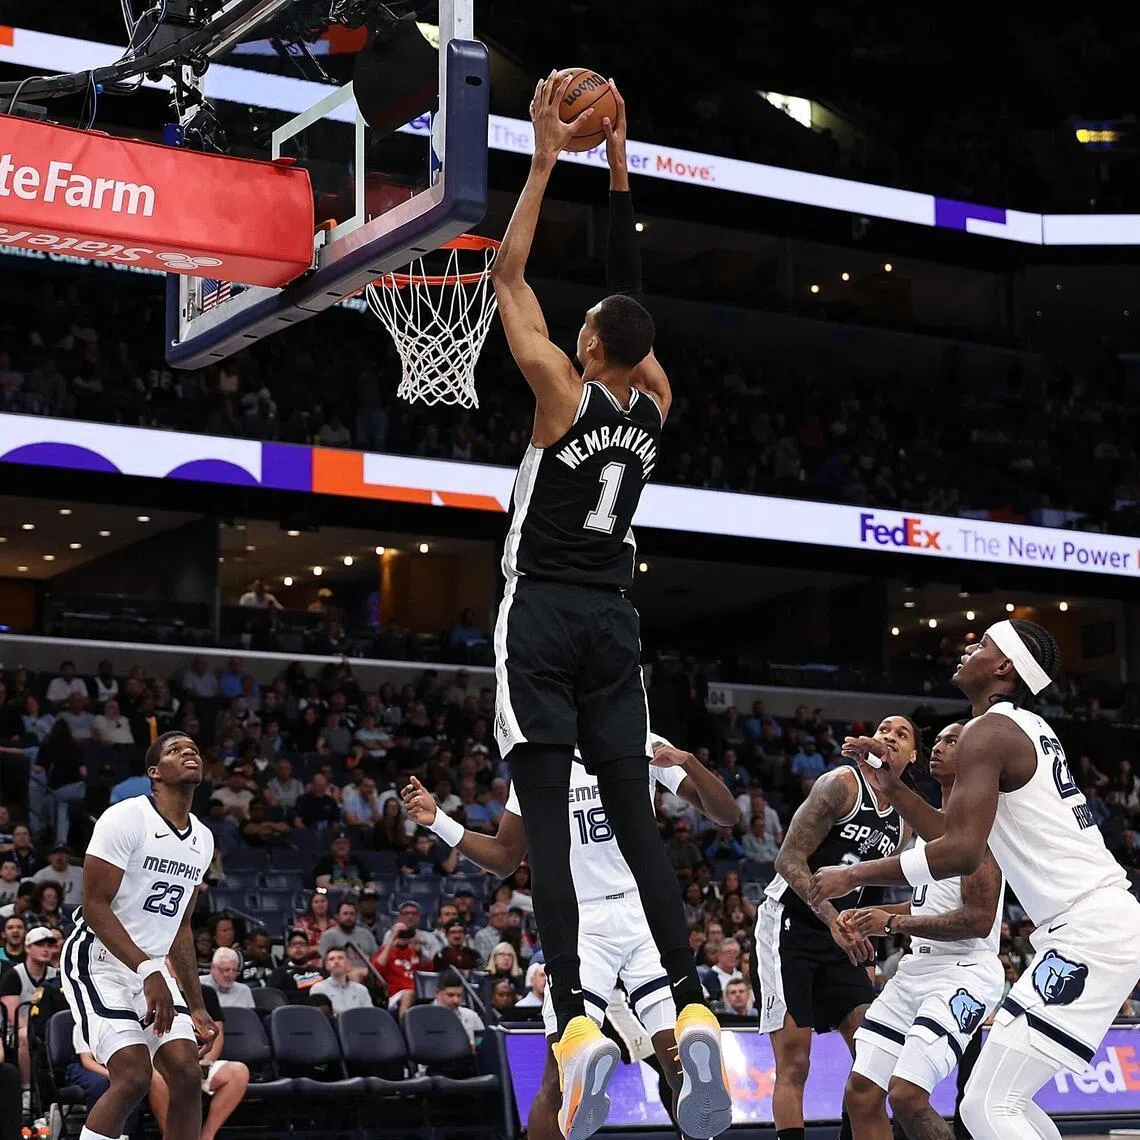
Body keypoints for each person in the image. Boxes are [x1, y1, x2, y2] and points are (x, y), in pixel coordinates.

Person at [488, 73, 726, 1140]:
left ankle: (579, 1023)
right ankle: (691, 1003)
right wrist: (621, 164)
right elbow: (631, 301)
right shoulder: (656, 403)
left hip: (542, 613)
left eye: (583, 322)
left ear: (587, 347)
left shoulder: (558, 392)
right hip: (614, 625)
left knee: (547, 825)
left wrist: (548, 162)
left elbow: (507, 275)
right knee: (636, 825)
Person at [810, 621, 1140, 1140]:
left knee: (988, 1106)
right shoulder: (1023, 727)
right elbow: (953, 834)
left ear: (1004, 667)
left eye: (983, 643)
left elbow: (961, 854)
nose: (968, 647)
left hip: (1087, 931)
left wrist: (852, 874)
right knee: (1002, 1102)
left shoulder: (988, 731)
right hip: (1090, 925)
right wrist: (892, 787)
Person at [404, 730, 739, 1140]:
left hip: (645, 914)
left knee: (679, 1063)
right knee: (561, 1075)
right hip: (580, 924)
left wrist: (688, 761)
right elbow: (505, 857)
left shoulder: (639, 738)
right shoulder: (537, 762)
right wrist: (438, 821)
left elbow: (726, 815)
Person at [839, 723, 1005, 1140]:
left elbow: (978, 919)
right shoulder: (931, 828)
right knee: (861, 1093)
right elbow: (927, 905)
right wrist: (874, 915)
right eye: (940, 740)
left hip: (963, 970)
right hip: (917, 968)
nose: (940, 747)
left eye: (953, 741)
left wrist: (892, 923)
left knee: (907, 1095)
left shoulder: (980, 828)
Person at [756, 715, 916, 1140]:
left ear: (913, 755)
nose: (889, 736)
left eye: (901, 734)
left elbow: (874, 891)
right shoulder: (841, 784)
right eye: (884, 730)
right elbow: (787, 860)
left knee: (871, 1056)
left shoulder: (904, 819)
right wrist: (830, 918)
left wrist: (865, 941)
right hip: (791, 924)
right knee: (795, 1061)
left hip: (844, 935)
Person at [58, 731, 217, 1140]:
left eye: (193, 749)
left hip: (152, 968)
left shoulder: (203, 839)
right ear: (154, 772)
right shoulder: (126, 817)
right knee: (133, 1075)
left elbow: (181, 926)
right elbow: (95, 906)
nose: (189, 753)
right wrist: (149, 972)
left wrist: (197, 1006)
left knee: (186, 1074)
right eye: (175, 750)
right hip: (98, 961)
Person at [147, 984, 250, 1140]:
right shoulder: (155, 990)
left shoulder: (205, 993)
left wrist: (207, 1060)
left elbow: (216, 1033)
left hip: (199, 1059)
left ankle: (206, 1136)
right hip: (163, 1062)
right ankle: (170, 1136)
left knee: (239, 1072)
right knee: (156, 1077)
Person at [0, 926, 59, 1086]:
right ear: (27, 948)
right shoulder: (13, 975)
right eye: (39, 944)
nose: (45, 949)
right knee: (24, 1035)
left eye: (49, 945)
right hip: (17, 1030)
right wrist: (35, 1031)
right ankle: (26, 1088)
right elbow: (14, 1018)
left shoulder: (57, 975)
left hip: (48, 1027)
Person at [317, 900, 378, 983]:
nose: (349, 917)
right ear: (337, 916)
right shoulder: (328, 935)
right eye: (345, 914)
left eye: (352, 914)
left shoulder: (366, 934)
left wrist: (366, 971)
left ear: (356, 916)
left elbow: (376, 958)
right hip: (340, 974)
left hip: (367, 974)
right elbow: (325, 963)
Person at [310, 948, 373, 1015]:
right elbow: (317, 1016)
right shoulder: (318, 989)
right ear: (327, 965)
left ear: (348, 963)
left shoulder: (361, 989)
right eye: (331, 959)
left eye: (340, 958)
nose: (336, 962)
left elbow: (370, 1015)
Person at [434, 968, 484, 1049]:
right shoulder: (423, 1018)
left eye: (459, 995)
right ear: (437, 993)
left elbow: (481, 1045)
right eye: (450, 995)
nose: (456, 1000)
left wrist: (476, 1048)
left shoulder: (472, 1016)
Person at [270, 930, 327, 1000]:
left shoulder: (320, 972)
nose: (298, 947)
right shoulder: (278, 973)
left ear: (308, 948)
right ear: (287, 950)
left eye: (302, 944)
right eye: (294, 944)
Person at [201, 946, 255, 1011]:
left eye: (234, 970)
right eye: (226, 970)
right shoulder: (198, 986)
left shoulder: (244, 991)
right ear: (213, 968)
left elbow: (251, 1016)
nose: (230, 975)